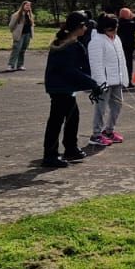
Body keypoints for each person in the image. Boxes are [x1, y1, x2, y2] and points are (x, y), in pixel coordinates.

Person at [41, 11, 100, 167]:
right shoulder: (68, 47)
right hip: (60, 88)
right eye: (85, 25)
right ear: (79, 27)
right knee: (56, 121)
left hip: (63, 87)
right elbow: (71, 71)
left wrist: (90, 83)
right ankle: (50, 155)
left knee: (73, 117)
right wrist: (92, 84)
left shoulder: (68, 43)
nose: (86, 28)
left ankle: (71, 148)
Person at [88, 14, 131, 144]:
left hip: (117, 80)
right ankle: (96, 134)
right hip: (104, 82)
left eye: (116, 28)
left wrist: (124, 78)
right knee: (101, 108)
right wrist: (101, 83)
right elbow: (96, 64)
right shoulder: (96, 41)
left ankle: (109, 131)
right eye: (111, 29)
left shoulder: (117, 38)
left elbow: (121, 60)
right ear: (104, 28)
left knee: (117, 106)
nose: (115, 31)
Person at [6, 0, 35, 71]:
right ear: (23, 6)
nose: (28, 7)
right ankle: (11, 65)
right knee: (16, 49)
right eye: (26, 5)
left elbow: (31, 25)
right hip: (20, 35)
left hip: (27, 35)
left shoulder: (30, 15)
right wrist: (15, 33)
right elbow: (11, 26)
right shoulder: (17, 15)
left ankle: (20, 65)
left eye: (29, 6)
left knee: (23, 50)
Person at [118, 7, 135, 86]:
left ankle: (119, 80)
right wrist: (134, 17)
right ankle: (128, 81)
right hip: (129, 46)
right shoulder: (131, 23)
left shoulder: (117, 23)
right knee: (128, 64)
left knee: (119, 64)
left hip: (119, 46)